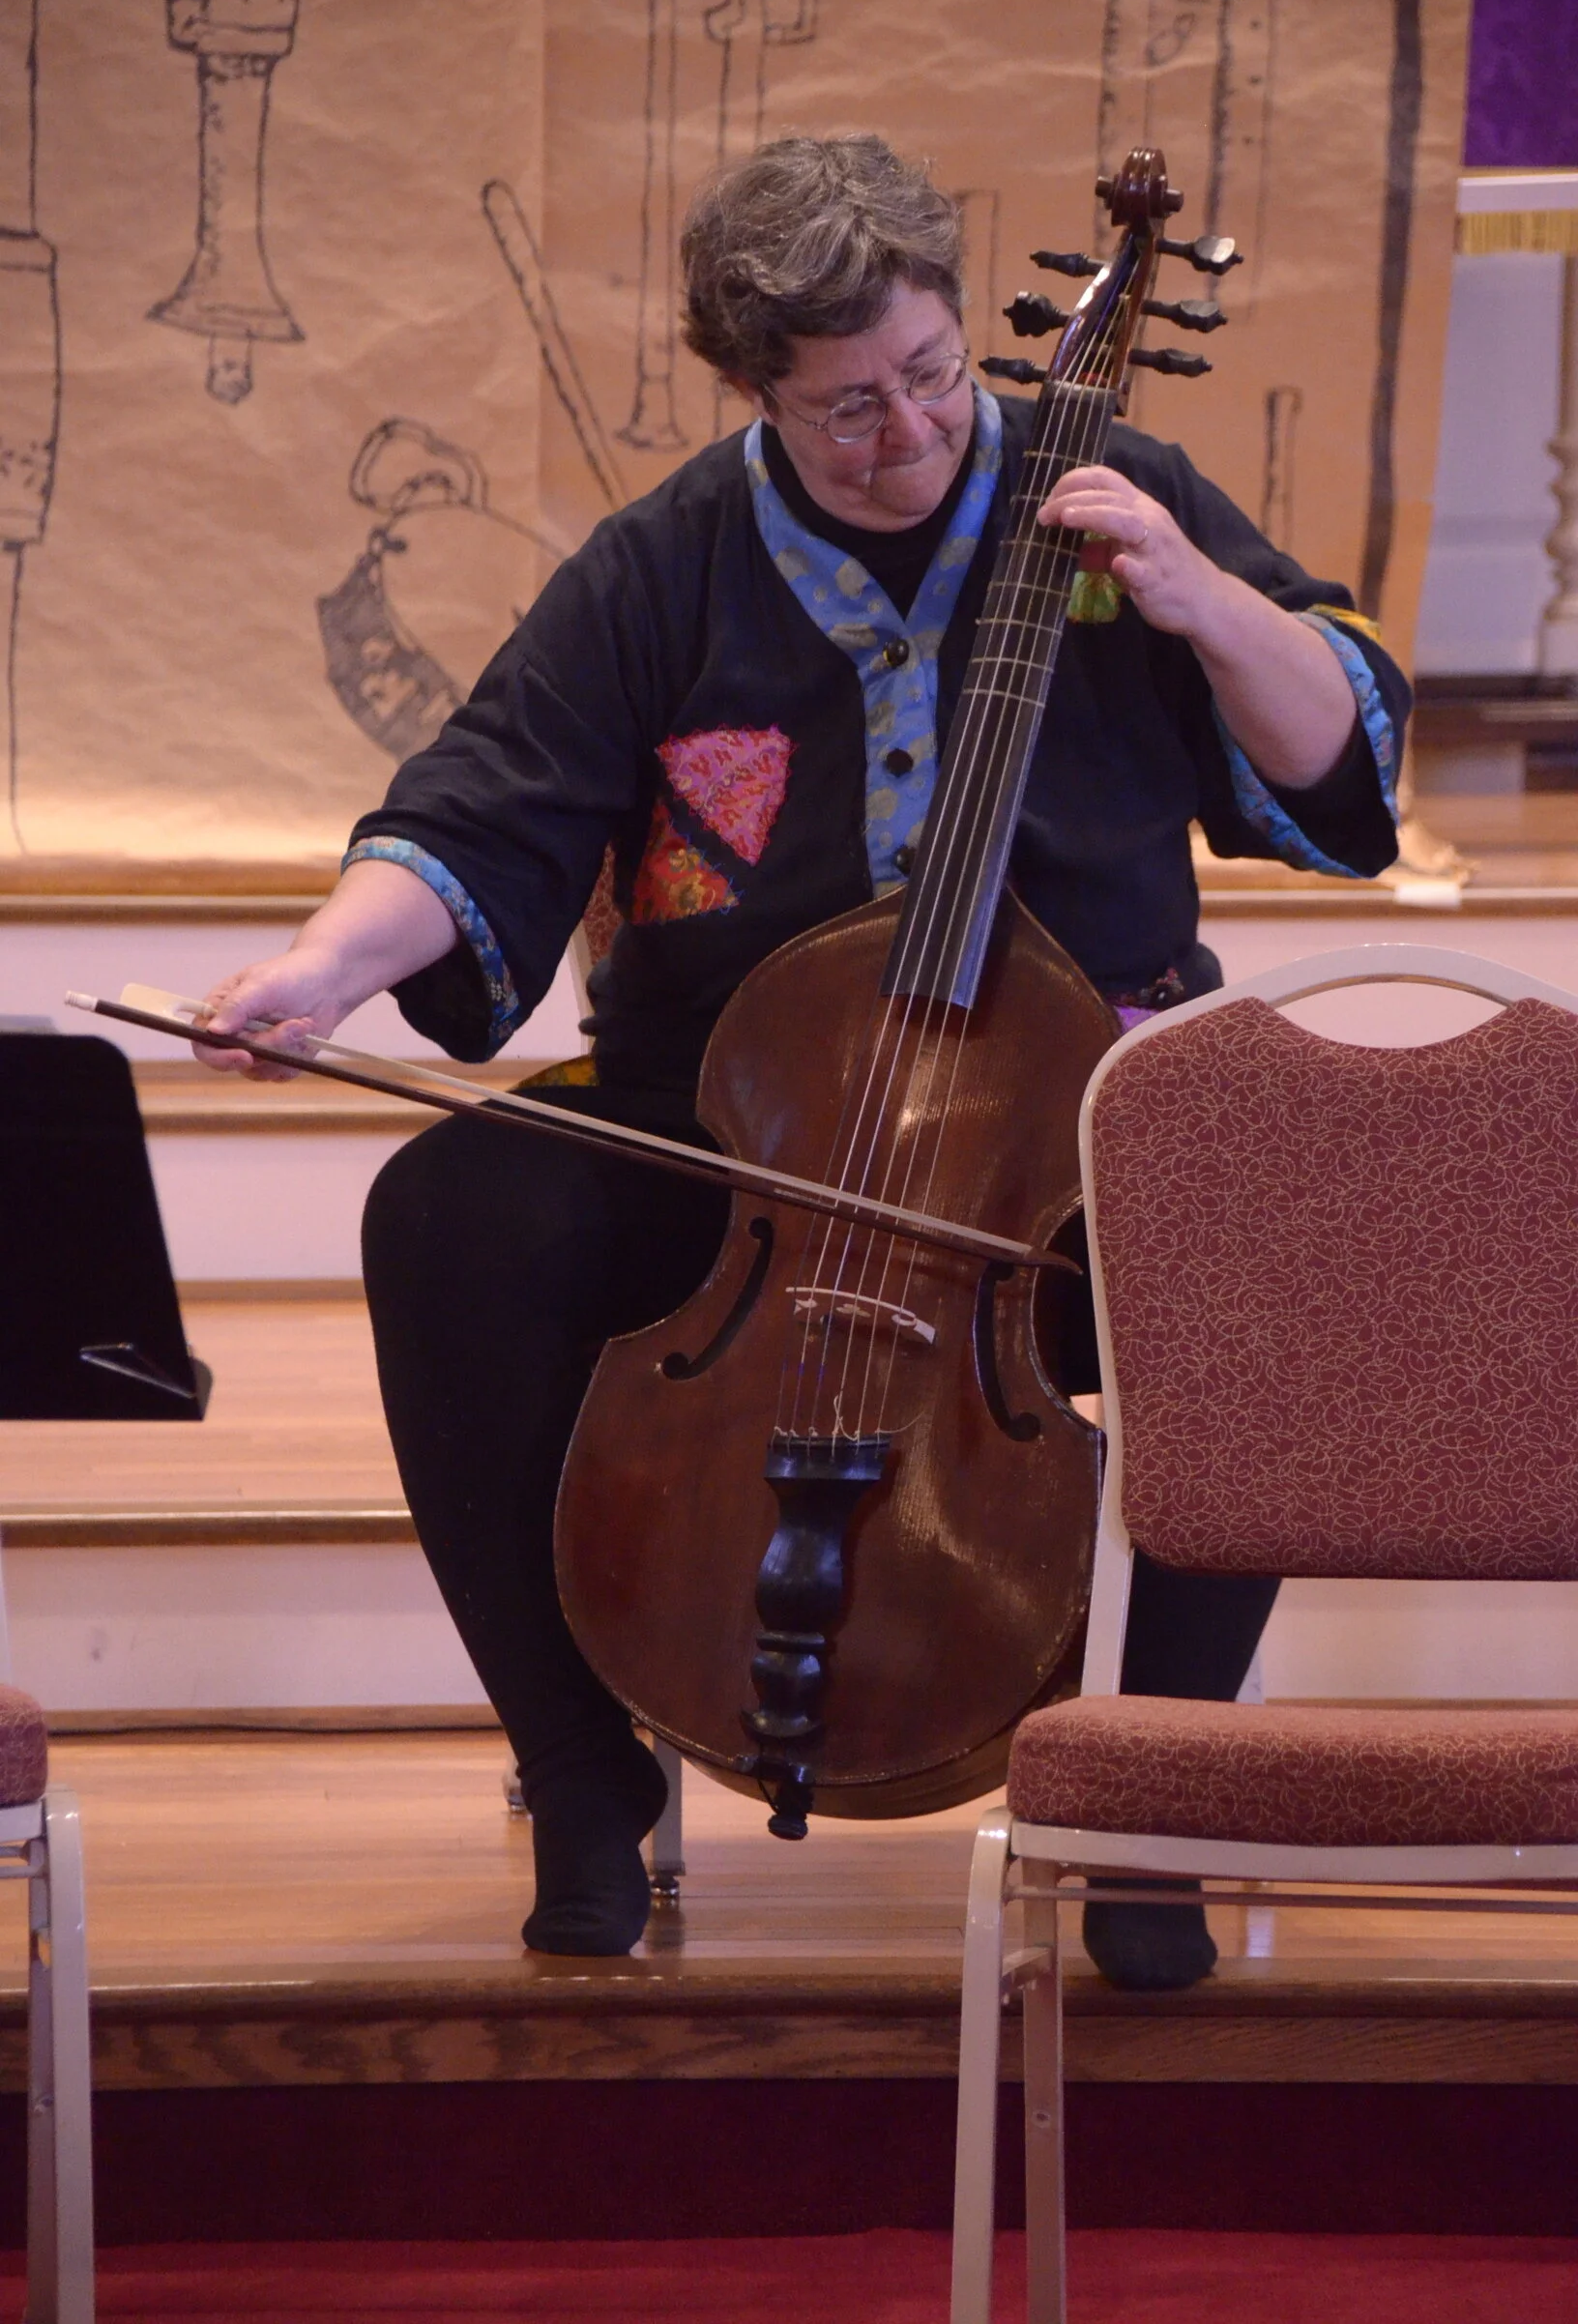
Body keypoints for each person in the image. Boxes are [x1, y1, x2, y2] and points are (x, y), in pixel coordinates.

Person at [198, 135, 1408, 1985]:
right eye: (845, 409)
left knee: (1256, 1234)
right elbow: (479, 808)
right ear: (755, 389)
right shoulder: (666, 562)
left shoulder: (1111, 490)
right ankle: (586, 1783)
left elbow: (1339, 770)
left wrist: (1199, 595)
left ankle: (1147, 1808)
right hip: (739, 1137)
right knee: (455, 1214)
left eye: (930, 376)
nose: (906, 433)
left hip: (1074, 1138)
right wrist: (320, 969)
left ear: (959, 329)